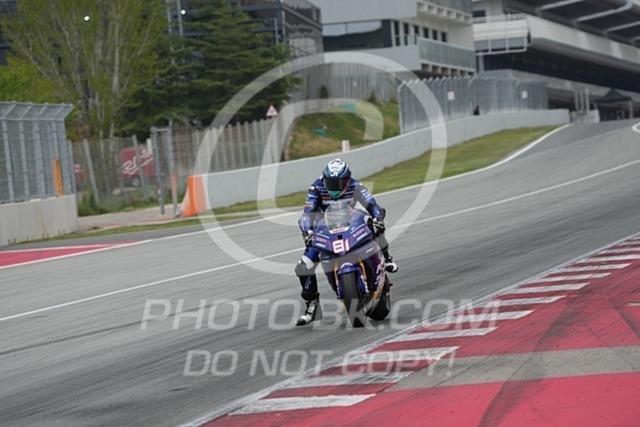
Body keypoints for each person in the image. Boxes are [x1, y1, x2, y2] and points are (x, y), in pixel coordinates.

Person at [294, 158, 398, 326]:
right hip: (325, 231)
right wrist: (308, 232)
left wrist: (377, 218)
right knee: (303, 267)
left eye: (339, 182)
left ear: (348, 179)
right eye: (331, 182)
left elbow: (372, 204)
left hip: (352, 225)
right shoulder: (316, 188)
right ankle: (312, 306)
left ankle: (387, 258)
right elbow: (307, 214)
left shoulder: (356, 186)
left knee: (375, 225)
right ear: (324, 179)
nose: (335, 187)